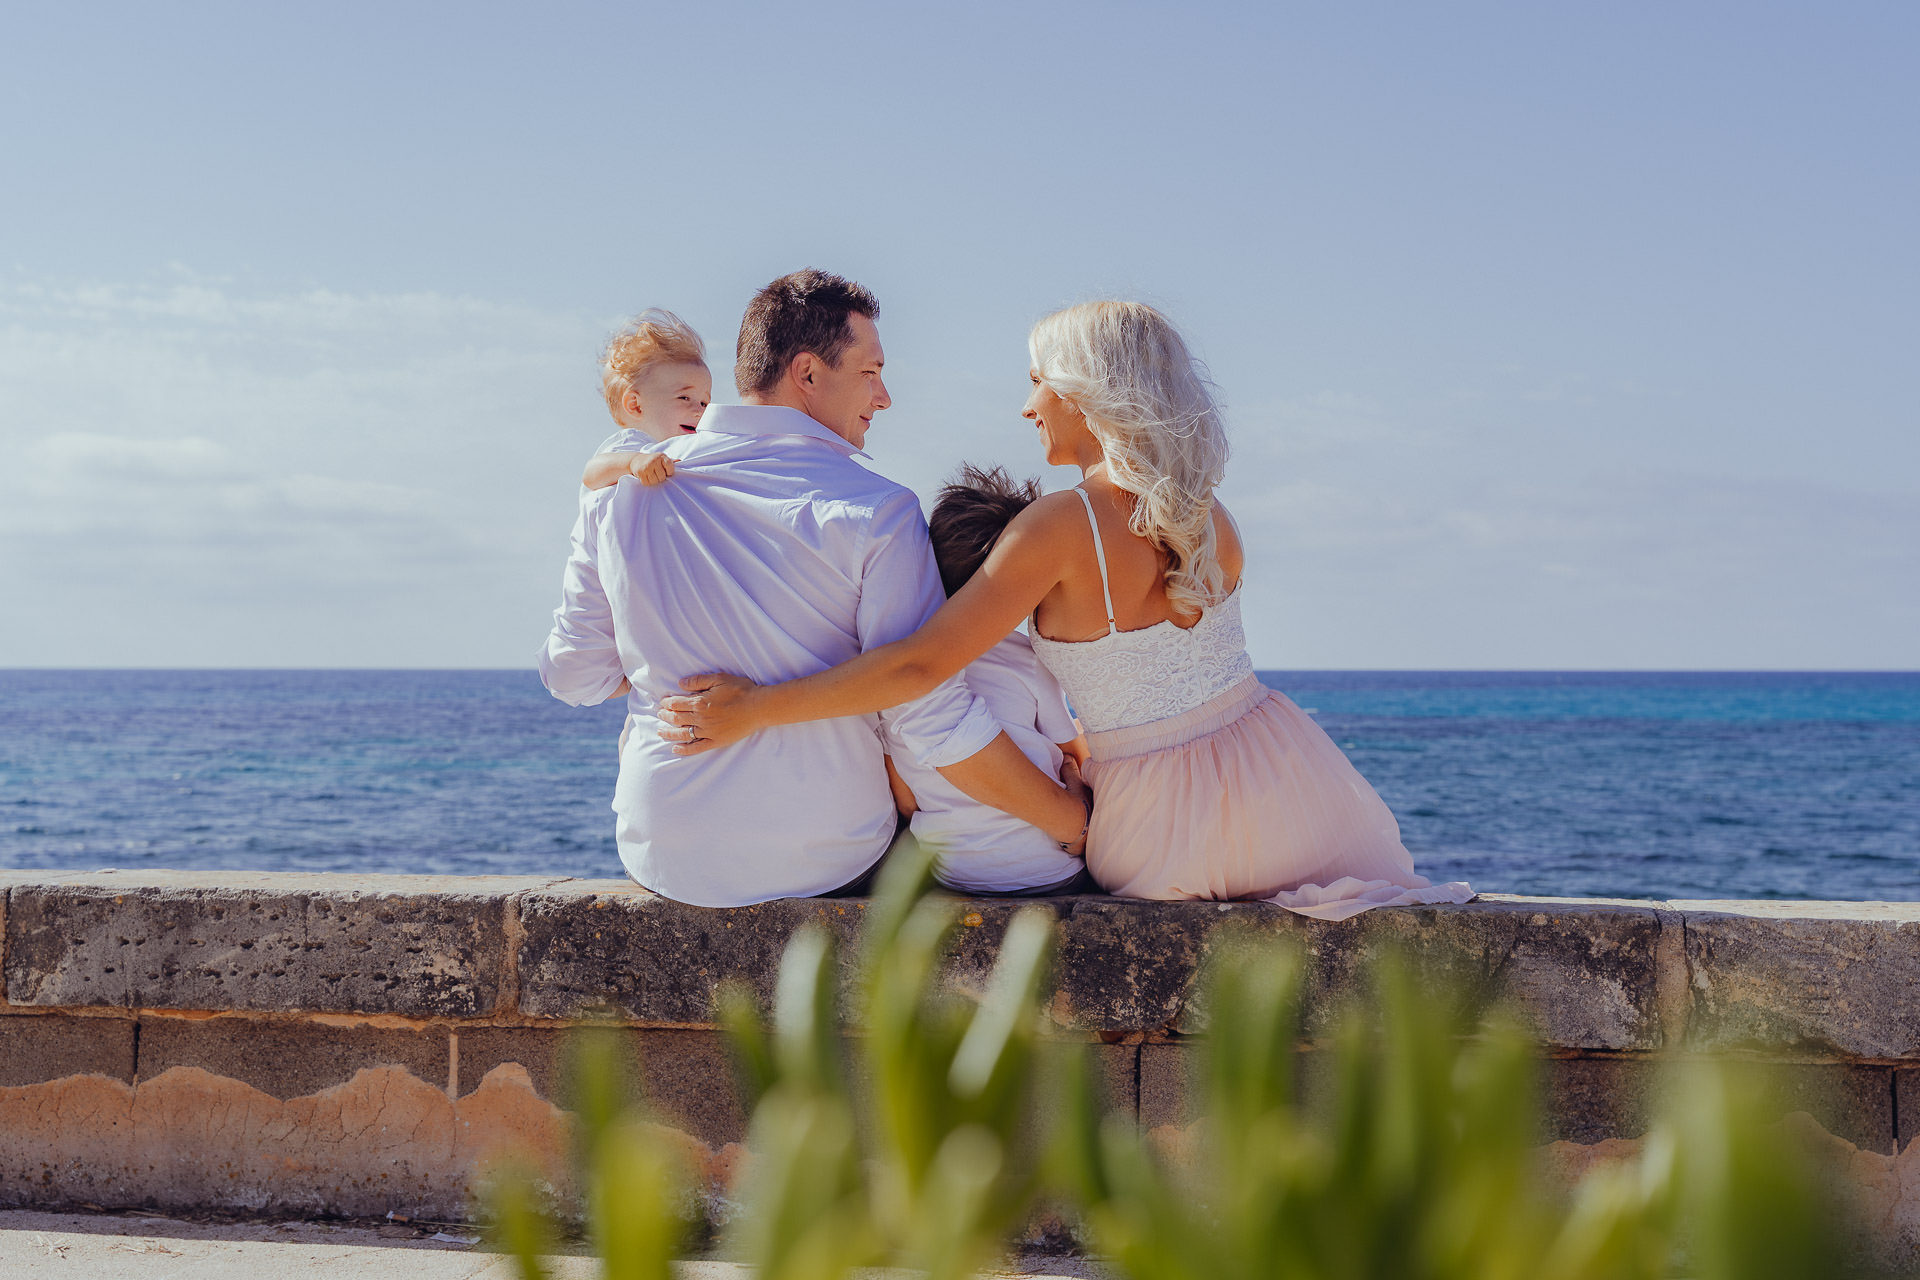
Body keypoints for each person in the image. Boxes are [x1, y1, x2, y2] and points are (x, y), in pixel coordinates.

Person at [657, 300, 1473, 919]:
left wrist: (756, 710)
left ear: (1089, 394)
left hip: (1167, 821)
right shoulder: (1209, 514)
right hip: (1296, 783)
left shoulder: (1060, 524)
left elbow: (918, 667)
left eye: (1038, 382)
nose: (1028, 406)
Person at [537, 270, 1089, 907]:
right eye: (870, 372)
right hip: (830, 859)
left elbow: (575, 678)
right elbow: (927, 713)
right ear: (806, 373)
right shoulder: (877, 509)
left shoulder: (618, 495)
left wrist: (658, 657)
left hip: (666, 854)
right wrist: (1069, 823)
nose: (883, 398)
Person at [888, 464, 1095, 896]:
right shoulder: (1026, 657)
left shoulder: (894, 670)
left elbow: (905, 799)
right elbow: (1068, 752)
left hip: (952, 875)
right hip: (1048, 871)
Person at [579, 309, 713, 489]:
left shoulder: (680, 450)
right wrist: (633, 462)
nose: (700, 411)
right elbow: (591, 474)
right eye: (684, 397)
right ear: (636, 406)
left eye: (704, 402)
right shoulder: (633, 442)